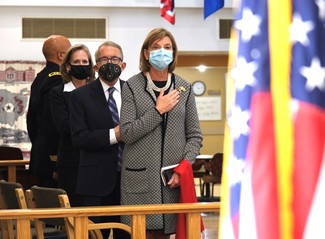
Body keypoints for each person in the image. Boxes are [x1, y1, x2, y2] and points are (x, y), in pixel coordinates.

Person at [120, 28, 203, 239]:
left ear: (173, 53)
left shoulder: (184, 88)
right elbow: (127, 133)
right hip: (140, 181)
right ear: (146, 53)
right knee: (142, 233)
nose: (162, 52)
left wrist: (183, 167)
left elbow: (194, 136)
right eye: (156, 47)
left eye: (167, 47)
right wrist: (158, 111)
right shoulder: (132, 86)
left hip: (173, 180)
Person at [69, 41, 130, 239]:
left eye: (114, 59)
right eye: (104, 59)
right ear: (95, 66)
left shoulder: (135, 92)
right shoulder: (80, 96)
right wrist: (115, 135)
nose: (109, 63)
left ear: (123, 65)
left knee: (128, 234)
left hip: (131, 182)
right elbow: (79, 137)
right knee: (95, 236)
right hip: (95, 183)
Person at [49, 44, 95, 207]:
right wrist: (93, 123)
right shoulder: (58, 93)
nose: (81, 65)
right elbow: (64, 127)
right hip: (71, 162)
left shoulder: (98, 91)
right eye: (77, 62)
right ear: (68, 67)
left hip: (96, 162)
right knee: (72, 214)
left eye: (85, 61)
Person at [27, 35, 71, 187]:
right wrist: (55, 161)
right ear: (61, 55)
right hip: (52, 159)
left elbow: (31, 121)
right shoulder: (57, 80)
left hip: (42, 153)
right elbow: (53, 124)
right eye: (70, 52)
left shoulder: (41, 77)